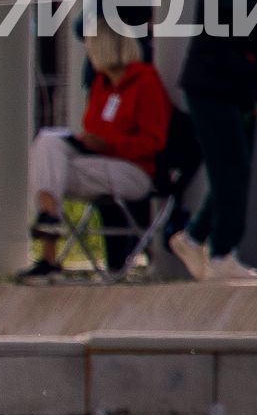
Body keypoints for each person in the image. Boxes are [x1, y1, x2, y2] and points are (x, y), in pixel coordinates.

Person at [170, 0, 257, 281]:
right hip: (214, 86)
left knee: (232, 169)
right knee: (232, 171)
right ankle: (221, 252)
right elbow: (254, 5)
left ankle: (195, 237)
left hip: (234, 86)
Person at [27, 24, 171, 275]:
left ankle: (48, 236)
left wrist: (109, 144)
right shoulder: (101, 85)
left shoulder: (145, 82)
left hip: (134, 171)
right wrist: (88, 142)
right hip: (99, 163)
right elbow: (92, 127)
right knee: (47, 142)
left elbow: (153, 142)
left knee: (47, 170)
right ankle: (49, 221)